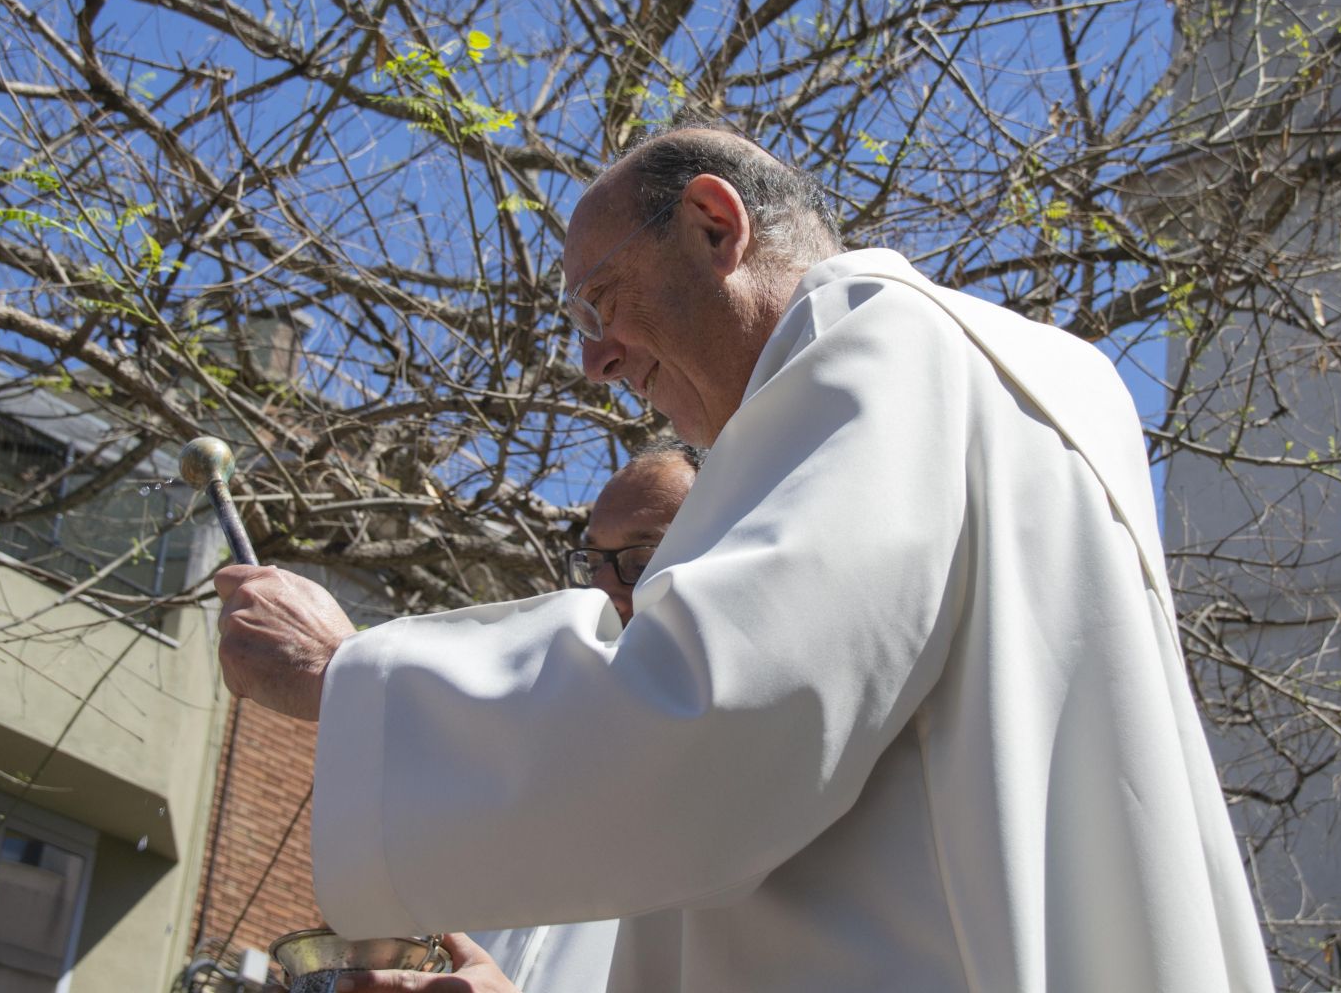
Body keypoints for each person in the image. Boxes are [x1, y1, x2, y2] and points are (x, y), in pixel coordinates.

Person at [215, 125, 1274, 991]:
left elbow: (722, 722)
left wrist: (345, 675)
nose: (594, 360)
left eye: (600, 301)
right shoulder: (1036, 387)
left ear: (715, 225)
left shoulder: (879, 342)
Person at [342, 441, 704, 992]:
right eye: (592, 563)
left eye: (642, 560)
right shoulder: (513, 774)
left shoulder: (752, 800)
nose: (602, 595)